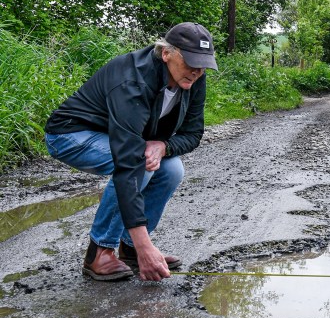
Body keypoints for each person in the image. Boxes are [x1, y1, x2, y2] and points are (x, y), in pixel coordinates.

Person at [44, 22, 217, 282]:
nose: (197, 71)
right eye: (192, 62)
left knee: (171, 169)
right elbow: (128, 163)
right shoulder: (133, 80)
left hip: (119, 137)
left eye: (203, 64)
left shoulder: (193, 79)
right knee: (139, 164)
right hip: (70, 134)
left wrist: (164, 145)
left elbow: (192, 135)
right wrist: (146, 245)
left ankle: (129, 249)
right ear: (167, 53)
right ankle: (99, 252)